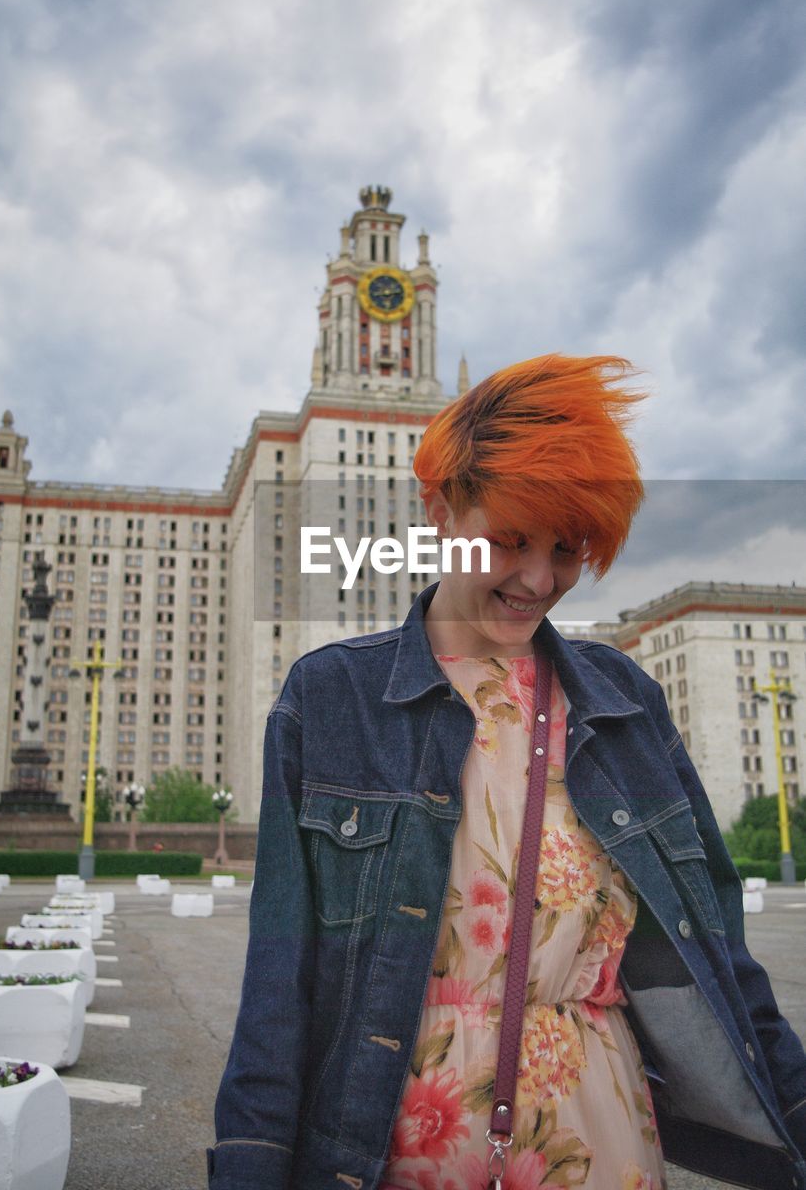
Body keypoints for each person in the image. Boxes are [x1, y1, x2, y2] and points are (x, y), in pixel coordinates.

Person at [208, 354, 806, 1190]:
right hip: (389, 1148)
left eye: (567, 548)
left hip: (601, 1143)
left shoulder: (624, 703)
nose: (538, 579)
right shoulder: (332, 699)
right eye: (510, 540)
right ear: (441, 511)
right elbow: (279, 983)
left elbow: (718, 952)